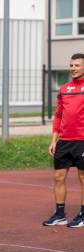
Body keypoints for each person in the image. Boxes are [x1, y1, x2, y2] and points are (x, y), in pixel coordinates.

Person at [44, 53, 84, 228]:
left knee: (83, 177)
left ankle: (83, 214)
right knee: (58, 176)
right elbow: (58, 115)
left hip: (82, 140)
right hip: (64, 141)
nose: (73, 68)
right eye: (71, 65)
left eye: (77, 65)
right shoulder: (63, 89)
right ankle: (60, 214)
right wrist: (54, 140)